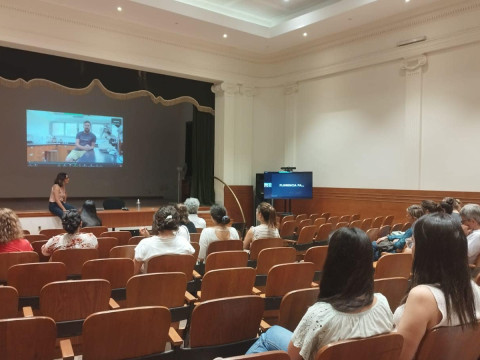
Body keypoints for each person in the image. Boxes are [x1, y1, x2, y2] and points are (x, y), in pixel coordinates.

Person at [246, 227, 394, 359]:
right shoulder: (382, 303)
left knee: (270, 335)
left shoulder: (320, 315)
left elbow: (292, 358)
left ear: (332, 263)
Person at [394, 213, 480, 360]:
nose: (412, 248)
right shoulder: (473, 289)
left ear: (426, 250)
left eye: (414, 242)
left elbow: (400, 356)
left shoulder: (422, 296)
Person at [134, 206, 195, 274]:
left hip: (150, 284)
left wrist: (144, 269)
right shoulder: (184, 244)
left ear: (156, 223)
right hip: (176, 284)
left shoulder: (144, 244)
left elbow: (133, 272)